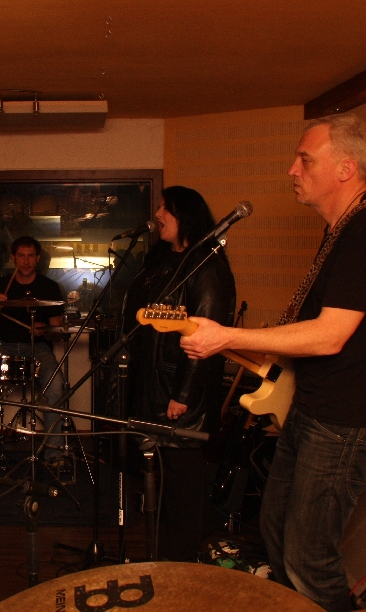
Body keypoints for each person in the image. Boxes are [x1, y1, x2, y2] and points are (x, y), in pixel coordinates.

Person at [179, 113, 366, 611]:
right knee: (275, 532)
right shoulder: (343, 229)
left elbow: (330, 336)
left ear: (346, 168)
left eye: (305, 160)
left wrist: (227, 335)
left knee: (310, 559)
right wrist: (232, 342)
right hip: (314, 407)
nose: (292, 169)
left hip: (347, 418)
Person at [123, 186, 236, 561]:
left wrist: (183, 395)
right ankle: (170, 556)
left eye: (164, 208)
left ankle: (183, 562)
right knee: (164, 482)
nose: (157, 215)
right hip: (154, 385)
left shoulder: (206, 266)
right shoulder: (165, 262)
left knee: (182, 483)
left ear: (184, 214)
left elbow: (206, 339)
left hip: (179, 393)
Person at [0, 236, 66, 463]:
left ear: (38, 258)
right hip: (6, 347)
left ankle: (54, 454)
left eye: (30, 256)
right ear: (13, 258)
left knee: (56, 385)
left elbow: (57, 334)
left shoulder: (50, 287)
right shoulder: (0, 286)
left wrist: (45, 329)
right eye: (21, 256)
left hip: (39, 349)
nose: (26, 261)